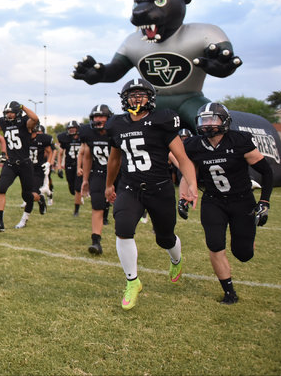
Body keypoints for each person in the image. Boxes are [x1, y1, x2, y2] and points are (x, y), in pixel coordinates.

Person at [105, 78, 198, 310]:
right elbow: (114, 159)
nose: (136, 98)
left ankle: (176, 259)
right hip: (130, 187)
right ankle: (132, 281)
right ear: (124, 98)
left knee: (164, 237)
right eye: (132, 94)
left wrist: (192, 183)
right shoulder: (117, 124)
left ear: (151, 98)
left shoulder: (162, 120)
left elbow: (183, 158)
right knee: (123, 229)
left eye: (141, 94)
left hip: (159, 187)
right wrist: (109, 185)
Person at [180, 103, 272, 304]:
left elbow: (267, 172)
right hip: (213, 201)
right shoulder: (194, 144)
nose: (208, 124)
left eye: (213, 119)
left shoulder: (239, 141)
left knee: (243, 253)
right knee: (214, 245)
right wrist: (183, 196)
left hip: (242, 201)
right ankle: (229, 292)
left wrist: (264, 201)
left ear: (225, 121)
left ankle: (246, 239)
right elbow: (186, 172)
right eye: (204, 120)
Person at [0, 101, 46, 231]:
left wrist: (23, 106)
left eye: (11, 112)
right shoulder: (4, 123)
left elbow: (35, 118)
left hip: (25, 164)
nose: (8, 115)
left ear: (18, 113)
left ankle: (40, 198)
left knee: (27, 196)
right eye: (7, 112)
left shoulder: (25, 123)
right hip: (10, 163)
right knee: (0, 188)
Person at [80, 104, 115, 255]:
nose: (98, 119)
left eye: (102, 116)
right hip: (99, 173)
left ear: (109, 118)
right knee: (97, 206)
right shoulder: (89, 133)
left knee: (122, 207)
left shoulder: (115, 131)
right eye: (95, 116)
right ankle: (96, 241)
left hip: (119, 174)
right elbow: (88, 157)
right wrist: (85, 180)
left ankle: (125, 238)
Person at [22, 124, 54, 228]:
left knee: (31, 193)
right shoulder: (23, 138)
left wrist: (48, 163)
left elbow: (50, 152)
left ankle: (24, 219)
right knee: (27, 194)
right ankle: (40, 198)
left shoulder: (43, 139)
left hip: (37, 170)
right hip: (26, 169)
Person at [57, 120, 84, 217]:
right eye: (70, 129)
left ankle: (76, 210)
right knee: (72, 189)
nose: (72, 130)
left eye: (73, 128)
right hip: (69, 164)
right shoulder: (64, 138)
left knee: (77, 188)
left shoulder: (83, 138)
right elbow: (60, 153)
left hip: (80, 165)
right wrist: (59, 167)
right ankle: (79, 196)